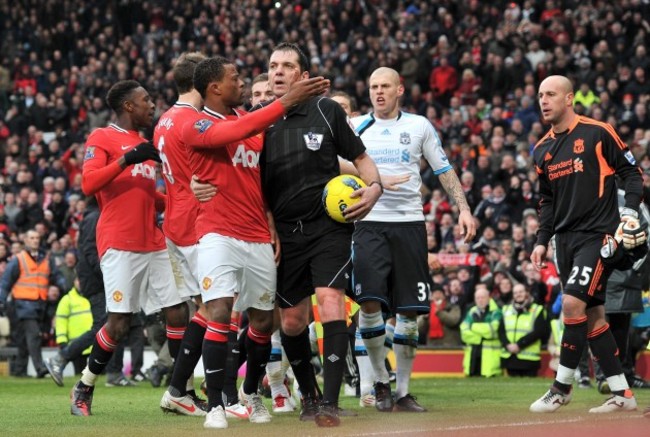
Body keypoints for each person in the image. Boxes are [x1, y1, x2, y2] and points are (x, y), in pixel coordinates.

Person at [181, 56, 330, 429]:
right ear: (215, 88)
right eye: (235, 78)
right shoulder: (197, 122)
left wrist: (270, 222)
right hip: (216, 233)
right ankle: (216, 404)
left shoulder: (251, 126)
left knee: (264, 320)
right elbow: (224, 136)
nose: (242, 82)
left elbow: (262, 177)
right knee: (219, 312)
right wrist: (286, 101)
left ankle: (251, 393)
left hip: (258, 236)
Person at [261, 42, 383, 428]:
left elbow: (361, 158)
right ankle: (309, 395)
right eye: (272, 66)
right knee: (293, 323)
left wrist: (375, 187)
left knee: (331, 303)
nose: (277, 72)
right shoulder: (259, 120)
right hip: (284, 234)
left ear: (303, 74)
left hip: (328, 227)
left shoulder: (327, 111)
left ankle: (329, 402)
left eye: (286, 66)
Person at [349, 67, 475, 412]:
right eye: (373, 86)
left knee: (408, 311)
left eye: (385, 86)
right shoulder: (355, 125)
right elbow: (335, 165)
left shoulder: (418, 125)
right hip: (368, 223)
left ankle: (402, 392)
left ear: (399, 89)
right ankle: (379, 382)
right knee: (370, 305)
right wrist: (377, 178)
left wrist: (463, 209)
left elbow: (444, 170)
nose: (378, 92)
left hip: (409, 225)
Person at [69, 79, 189, 417]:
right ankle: (85, 385)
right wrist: (126, 159)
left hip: (152, 240)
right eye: (146, 100)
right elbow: (89, 184)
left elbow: (149, 197)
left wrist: (183, 199)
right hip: (119, 242)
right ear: (128, 106)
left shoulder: (145, 144)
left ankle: (181, 391)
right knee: (119, 324)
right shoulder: (101, 138)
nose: (152, 105)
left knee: (177, 311)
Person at [529, 75, 644, 413]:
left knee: (571, 306)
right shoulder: (541, 150)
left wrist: (630, 214)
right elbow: (546, 202)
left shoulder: (597, 131)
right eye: (540, 95)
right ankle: (623, 395)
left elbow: (633, 174)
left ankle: (561, 387)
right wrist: (540, 241)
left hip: (599, 236)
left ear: (570, 98)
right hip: (563, 242)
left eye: (551, 94)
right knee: (593, 316)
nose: (544, 100)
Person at [153, 51, 214, 417]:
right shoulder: (193, 121)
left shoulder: (164, 120)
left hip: (175, 223)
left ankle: (187, 390)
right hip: (196, 222)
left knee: (201, 307)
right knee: (219, 303)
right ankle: (183, 388)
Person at [0, 229, 66, 378]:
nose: (35, 240)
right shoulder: (19, 259)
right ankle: (39, 368)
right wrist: (1, 300)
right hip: (22, 304)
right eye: (32, 238)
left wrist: (63, 284)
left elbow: (56, 275)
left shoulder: (46, 259)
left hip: (40, 304)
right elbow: (5, 282)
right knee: (34, 334)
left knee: (24, 339)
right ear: (26, 241)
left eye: (37, 238)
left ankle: (19, 370)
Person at [499, 283, 549, 377]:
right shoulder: (506, 309)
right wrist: (507, 345)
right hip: (510, 357)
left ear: (527, 293)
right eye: (515, 293)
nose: (518, 294)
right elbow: (501, 331)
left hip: (529, 359)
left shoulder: (537, 309)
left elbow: (539, 331)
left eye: (521, 291)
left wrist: (519, 345)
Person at [460, 285, 502, 378]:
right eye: (478, 298)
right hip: (473, 356)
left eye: (483, 297)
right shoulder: (472, 311)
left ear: (488, 298)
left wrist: (473, 326)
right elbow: (464, 332)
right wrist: (481, 336)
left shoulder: (496, 312)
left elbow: (492, 331)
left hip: (490, 361)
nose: (480, 300)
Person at [53, 279, 92, 374]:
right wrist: (62, 341)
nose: (80, 282)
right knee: (80, 375)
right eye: (78, 280)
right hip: (76, 346)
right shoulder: (67, 300)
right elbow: (60, 322)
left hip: (94, 345)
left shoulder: (93, 297)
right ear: (74, 282)